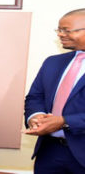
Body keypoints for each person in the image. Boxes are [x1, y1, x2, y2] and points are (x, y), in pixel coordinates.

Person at [24, 9, 85, 173]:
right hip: (49, 152)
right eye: (59, 29)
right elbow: (35, 97)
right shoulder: (53, 62)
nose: (60, 34)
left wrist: (64, 121)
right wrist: (35, 116)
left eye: (66, 30)